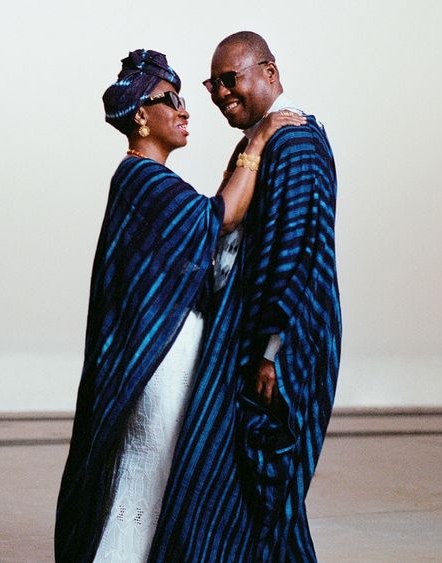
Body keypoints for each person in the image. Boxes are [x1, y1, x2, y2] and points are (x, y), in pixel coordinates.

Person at [54, 49, 305, 563]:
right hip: (161, 362)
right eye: (170, 99)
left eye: (185, 98)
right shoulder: (142, 179)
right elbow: (222, 217)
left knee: (154, 472)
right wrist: (258, 140)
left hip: (168, 355)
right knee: (149, 471)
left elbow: (203, 232)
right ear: (141, 115)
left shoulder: (151, 183)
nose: (185, 109)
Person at [147, 32, 341, 562]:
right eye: (213, 85)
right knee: (234, 486)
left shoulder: (295, 141)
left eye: (231, 79)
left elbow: (295, 252)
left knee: (269, 486)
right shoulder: (258, 143)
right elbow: (226, 237)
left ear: (269, 73)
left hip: (282, 344)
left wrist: (271, 352)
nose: (220, 94)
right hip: (247, 339)